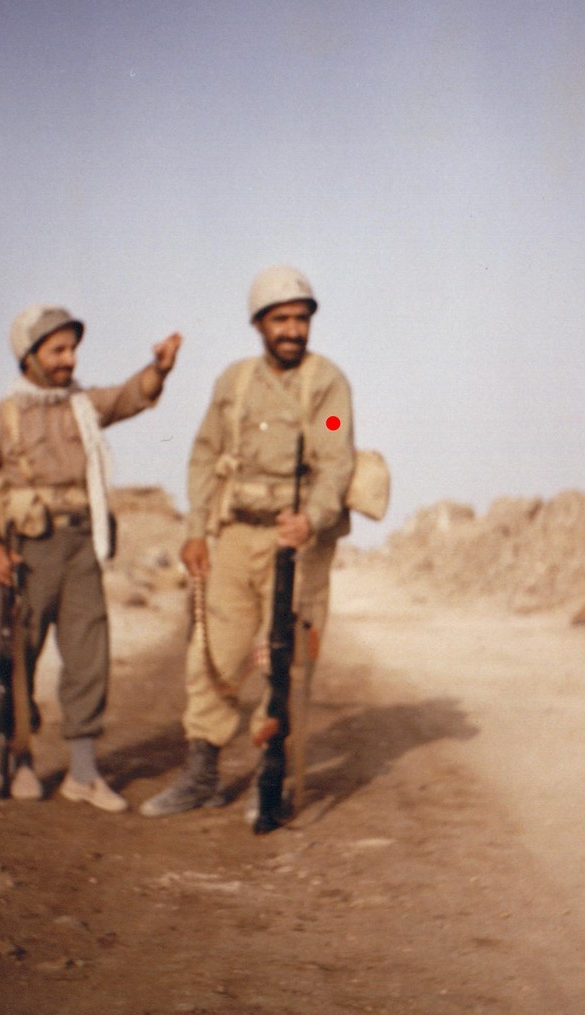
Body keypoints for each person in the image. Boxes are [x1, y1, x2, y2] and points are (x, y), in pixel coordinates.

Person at [140, 266, 354, 819]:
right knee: (214, 653)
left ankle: (271, 772)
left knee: (289, 661)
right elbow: (205, 455)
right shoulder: (232, 384)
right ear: (259, 323)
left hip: (296, 542)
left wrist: (312, 518)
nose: (292, 330)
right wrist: (195, 530)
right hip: (235, 536)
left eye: (301, 319)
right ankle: (201, 773)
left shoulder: (328, 386)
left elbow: (336, 456)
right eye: (280, 319)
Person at [0, 304, 182, 811]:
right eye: (57, 350)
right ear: (29, 356)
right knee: (17, 657)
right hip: (25, 553)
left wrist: (160, 368)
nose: (69, 359)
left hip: (81, 546)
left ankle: (83, 772)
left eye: (72, 349)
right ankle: (20, 760)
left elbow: (130, 396)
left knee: (88, 655)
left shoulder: (83, 405)